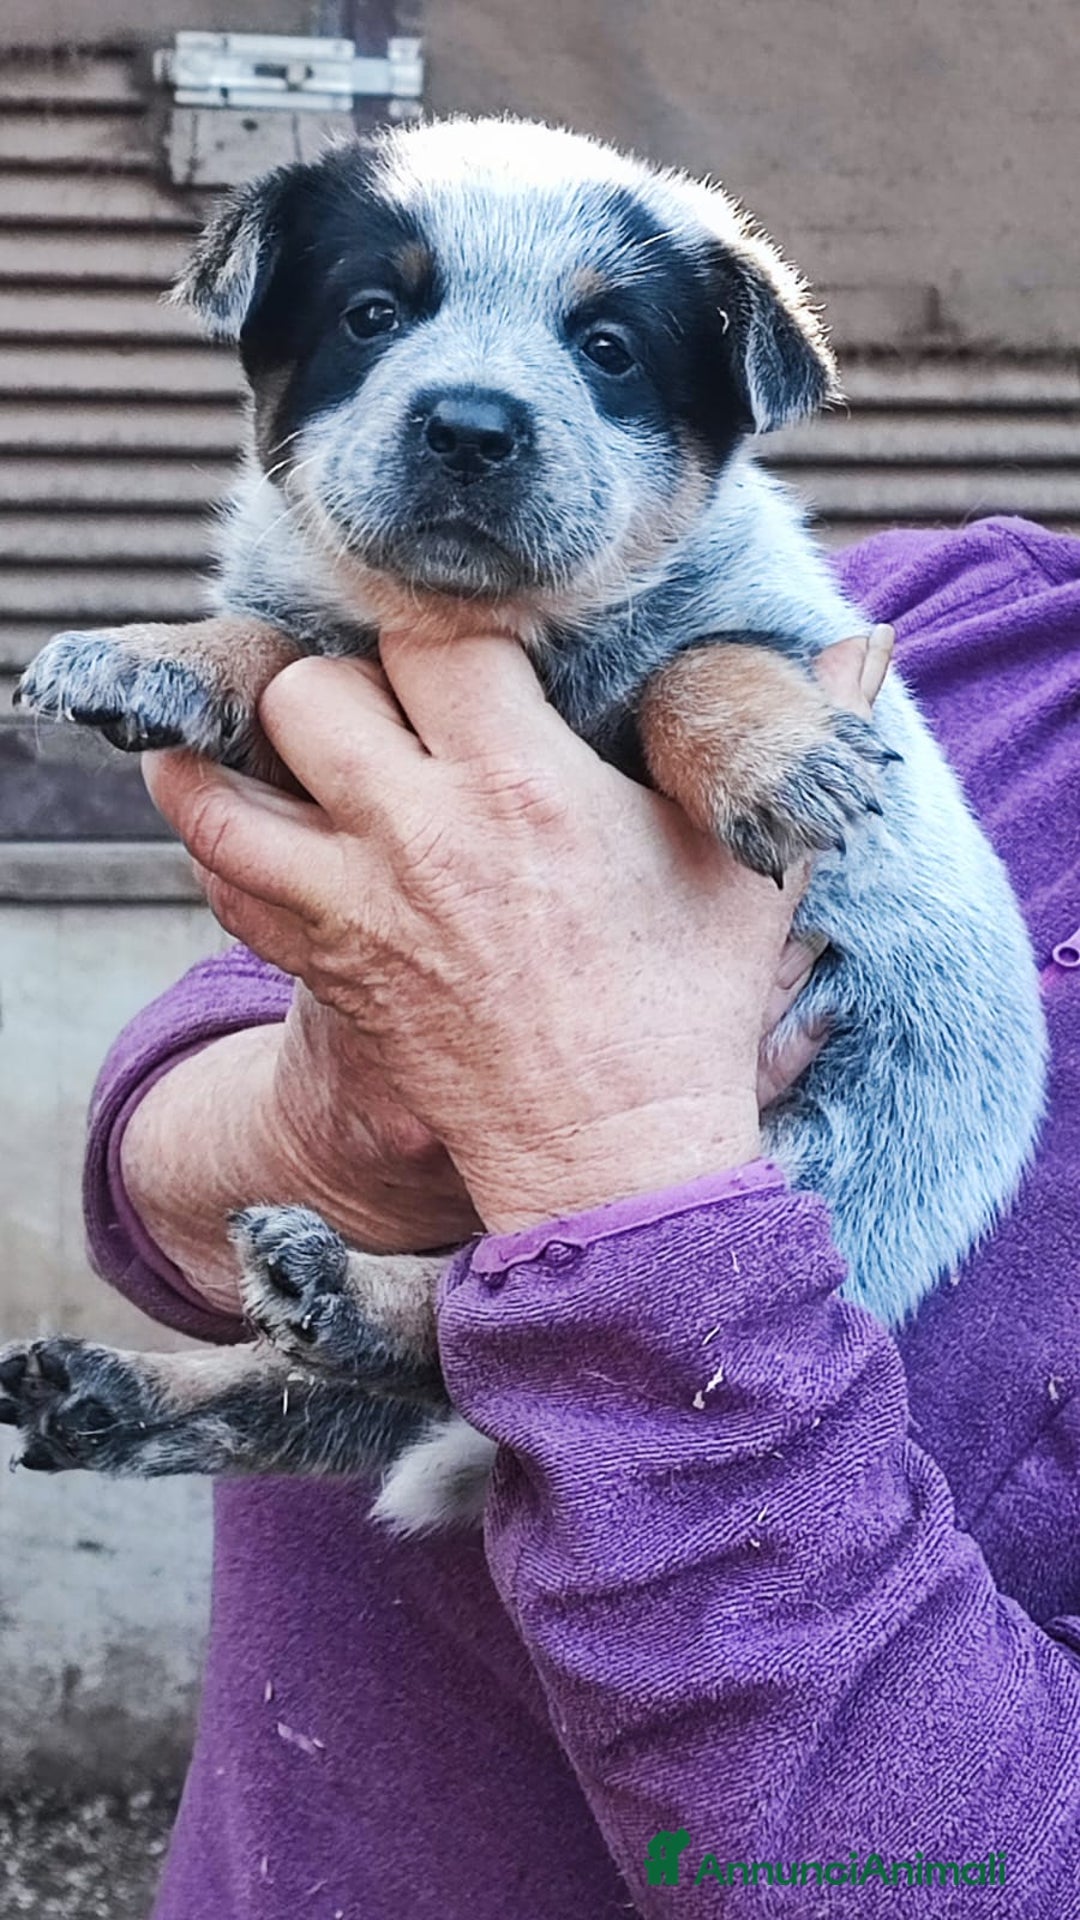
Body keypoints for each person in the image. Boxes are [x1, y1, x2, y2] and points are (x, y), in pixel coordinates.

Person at [85, 518, 1080, 1916]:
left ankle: (365, 1364)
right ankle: (324, 1383)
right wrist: (338, 1127)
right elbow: (165, 1163)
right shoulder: (943, 603)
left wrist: (605, 1157)